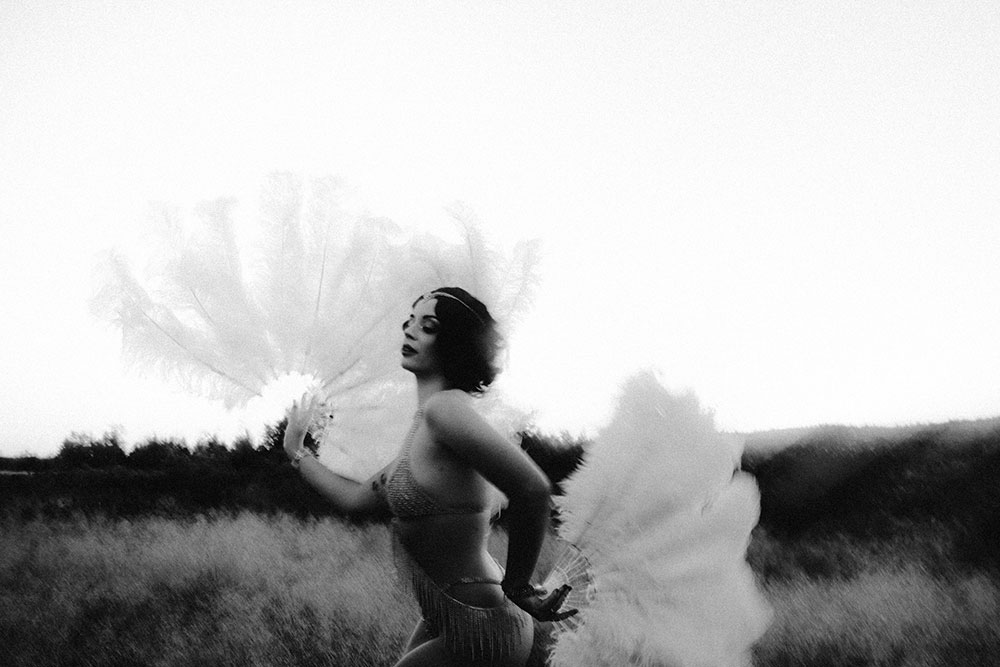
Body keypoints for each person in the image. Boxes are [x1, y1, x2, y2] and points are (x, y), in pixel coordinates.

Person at [283, 286, 575, 666]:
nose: (410, 330)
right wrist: (296, 450)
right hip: (449, 617)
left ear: (453, 343)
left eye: (428, 325)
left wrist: (519, 586)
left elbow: (532, 489)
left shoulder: (445, 410)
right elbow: (354, 500)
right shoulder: (422, 429)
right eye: (409, 322)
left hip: (484, 625)